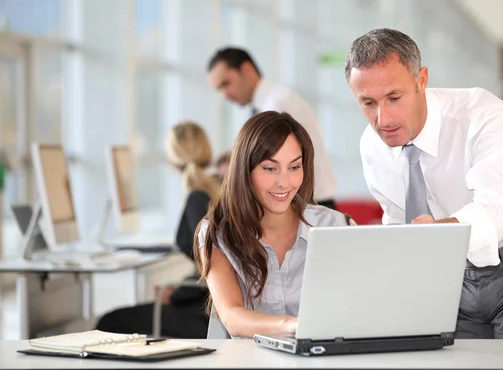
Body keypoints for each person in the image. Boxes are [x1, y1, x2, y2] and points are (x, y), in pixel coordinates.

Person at [344, 28, 503, 339]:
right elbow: (398, 221)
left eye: (394, 98)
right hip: (454, 275)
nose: (383, 119)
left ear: (421, 80)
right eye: (367, 103)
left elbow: (494, 210)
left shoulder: (482, 114)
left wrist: (438, 233)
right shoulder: (372, 146)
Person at [193, 111, 355, 339]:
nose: (284, 182)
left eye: (294, 167)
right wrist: (294, 326)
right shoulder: (218, 232)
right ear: (245, 170)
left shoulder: (336, 227)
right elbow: (232, 316)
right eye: (270, 168)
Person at [96, 121, 225, 338]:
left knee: (109, 322)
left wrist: (178, 295)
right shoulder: (216, 187)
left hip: (204, 314)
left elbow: (210, 263)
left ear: (173, 157)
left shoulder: (197, 197)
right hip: (210, 307)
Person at [207, 47, 338, 210]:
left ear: (247, 69)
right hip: (303, 203)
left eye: (226, 84)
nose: (225, 94)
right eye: (220, 89)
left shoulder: (277, 105)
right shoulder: (273, 101)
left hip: (307, 206)